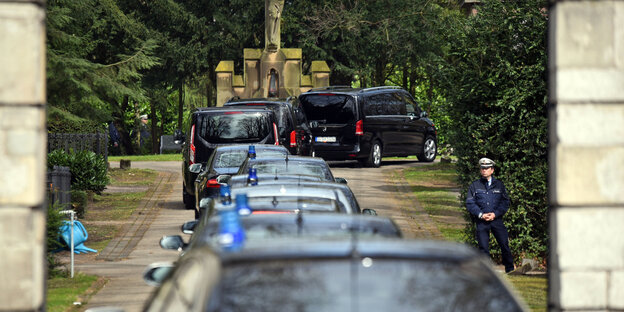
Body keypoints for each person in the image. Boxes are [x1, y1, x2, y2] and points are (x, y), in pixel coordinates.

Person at [466, 157, 515, 273]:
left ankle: (510, 269)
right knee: (483, 248)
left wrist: (495, 214)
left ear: (492, 170)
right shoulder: (475, 186)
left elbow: (505, 202)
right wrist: (481, 214)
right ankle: (486, 271)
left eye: (486, 168)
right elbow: (470, 203)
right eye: (482, 168)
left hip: (496, 220)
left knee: (504, 244)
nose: (484, 170)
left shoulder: (499, 185)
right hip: (482, 221)